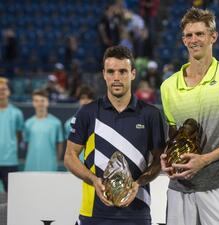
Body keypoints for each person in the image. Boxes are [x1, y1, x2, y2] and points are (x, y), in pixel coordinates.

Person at [160, 8, 219, 225]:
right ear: (183, 40)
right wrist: (166, 158)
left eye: (200, 34)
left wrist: (203, 160)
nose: (194, 40)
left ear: (213, 36)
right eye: (189, 35)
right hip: (179, 190)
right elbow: (175, 138)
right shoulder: (168, 86)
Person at [64, 45, 165, 225]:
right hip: (93, 213)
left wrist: (138, 183)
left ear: (133, 73)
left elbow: (158, 161)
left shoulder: (151, 114)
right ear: (104, 74)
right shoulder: (87, 113)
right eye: (111, 72)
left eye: (122, 71)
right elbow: (70, 157)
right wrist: (94, 180)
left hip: (138, 212)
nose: (116, 78)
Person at [24, 89, 64, 171]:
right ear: (33, 103)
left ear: (47, 102)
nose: (40, 103)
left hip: (50, 166)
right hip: (31, 166)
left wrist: (55, 161)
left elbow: (60, 144)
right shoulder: (28, 123)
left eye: (42, 100)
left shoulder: (56, 123)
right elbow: (26, 144)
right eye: (36, 101)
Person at [0, 77, 24, 192]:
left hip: (10, 161)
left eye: (4, 89)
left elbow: (19, 135)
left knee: (11, 195)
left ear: (9, 92)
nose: (1, 92)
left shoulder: (17, 113)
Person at [64, 85, 95, 161]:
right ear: (78, 100)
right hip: (75, 166)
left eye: (89, 98)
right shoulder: (69, 124)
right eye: (82, 98)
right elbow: (69, 151)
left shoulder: (100, 123)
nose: (86, 101)